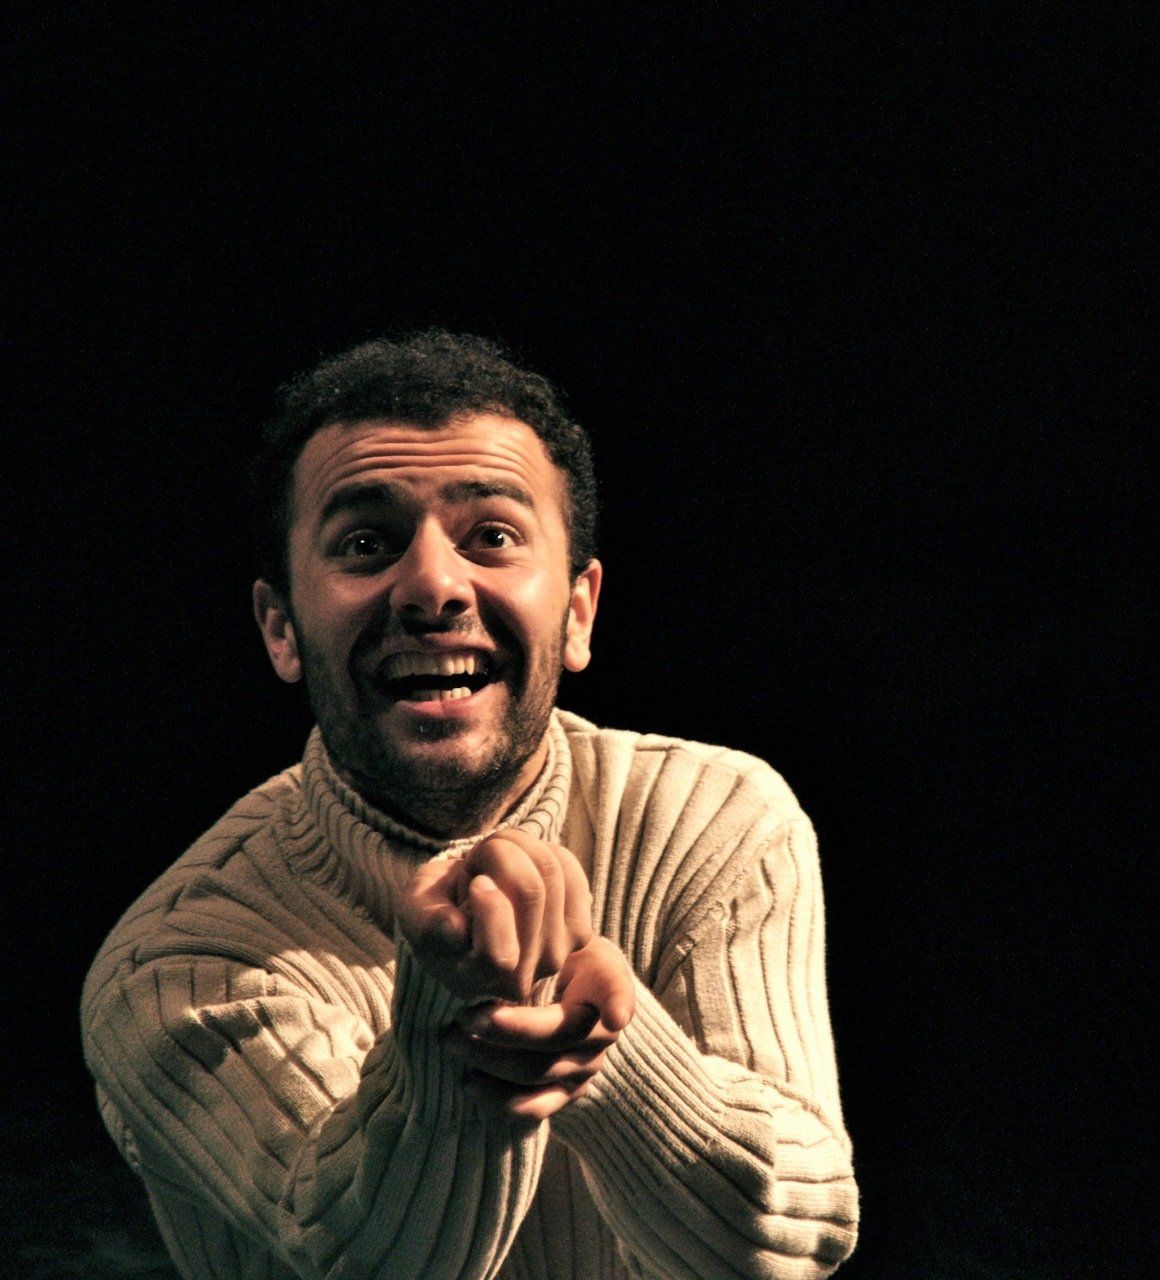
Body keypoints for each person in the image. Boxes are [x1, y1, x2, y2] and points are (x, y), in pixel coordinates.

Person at [81, 331, 858, 1279]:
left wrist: (603, 1055)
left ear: (578, 611)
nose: (434, 587)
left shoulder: (719, 822)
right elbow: (371, 1259)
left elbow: (790, 1241)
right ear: (281, 628)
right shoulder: (176, 967)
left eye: (492, 536)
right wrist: (461, 1022)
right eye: (366, 544)